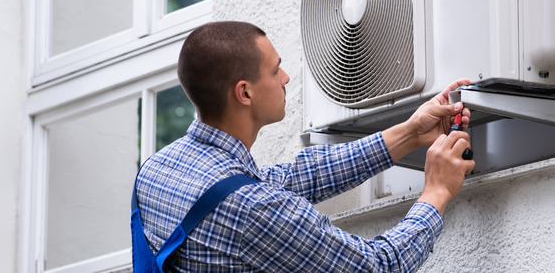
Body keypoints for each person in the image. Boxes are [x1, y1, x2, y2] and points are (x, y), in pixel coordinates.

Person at [134, 21, 475, 272]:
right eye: (275, 69)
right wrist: (437, 192)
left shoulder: (156, 170)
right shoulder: (253, 210)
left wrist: (410, 134)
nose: (285, 78)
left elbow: (296, 178)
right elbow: (377, 267)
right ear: (245, 93)